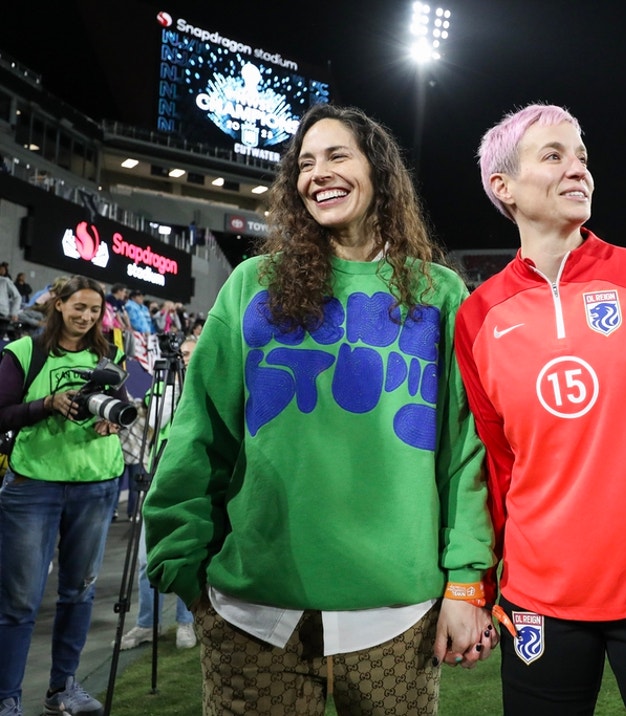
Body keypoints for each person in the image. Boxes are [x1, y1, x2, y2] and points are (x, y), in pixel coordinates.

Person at [142, 103, 496, 716]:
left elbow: (465, 451)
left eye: (337, 156)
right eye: (305, 163)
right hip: (252, 616)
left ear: (378, 171)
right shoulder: (254, 283)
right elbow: (199, 429)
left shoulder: (439, 293)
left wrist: (466, 581)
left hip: (398, 616)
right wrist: (181, 561)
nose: (317, 174)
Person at [458, 103, 626, 712]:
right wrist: (483, 586)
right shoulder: (477, 317)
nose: (577, 169)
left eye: (581, 156)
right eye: (553, 155)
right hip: (537, 603)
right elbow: (498, 471)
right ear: (503, 186)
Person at [0, 275, 127, 716]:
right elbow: (2, 414)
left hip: (96, 482)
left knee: (80, 590)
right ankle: (7, 700)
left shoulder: (109, 352)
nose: (87, 316)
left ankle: (63, 690)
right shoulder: (25, 352)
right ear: (58, 305)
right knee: (19, 599)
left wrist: (113, 422)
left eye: (94, 309)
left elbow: (124, 404)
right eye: (79, 308)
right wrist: (46, 405)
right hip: (33, 484)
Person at [119, 338, 198, 652]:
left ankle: (184, 622)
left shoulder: (209, 385)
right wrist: (174, 385)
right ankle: (145, 623)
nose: (187, 360)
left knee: (184, 556)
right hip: (155, 477)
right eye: (185, 355)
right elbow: (154, 421)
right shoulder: (164, 388)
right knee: (143, 560)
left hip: (189, 480)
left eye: (192, 355)